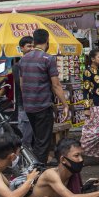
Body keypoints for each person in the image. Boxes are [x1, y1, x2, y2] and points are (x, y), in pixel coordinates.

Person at [18, 29, 71, 165]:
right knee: (43, 142)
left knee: (38, 140)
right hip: (42, 106)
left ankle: (35, 166)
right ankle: (38, 170)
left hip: (29, 107)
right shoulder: (48, 59)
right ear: (47, 41)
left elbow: (22, 85)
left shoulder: (23, 59)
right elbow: (56, 85)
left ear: (34, 41)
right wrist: (65, 105)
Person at [80, 48, 99, 160]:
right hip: (94, 106)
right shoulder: (87, 72)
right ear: (92, 59)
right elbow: (85, 90)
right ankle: (80, 149)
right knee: (94, 132)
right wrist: (86, 108)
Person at [12, 36, 35, 148]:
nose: (32, 49)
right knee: (24, 138)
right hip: (24, 105)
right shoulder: (17, 66)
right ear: (22, 48)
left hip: (37, 105)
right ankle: (22, 156)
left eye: (33, 46)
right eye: (29, 46)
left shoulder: (37, 64)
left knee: (34, 137)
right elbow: (21, 84)